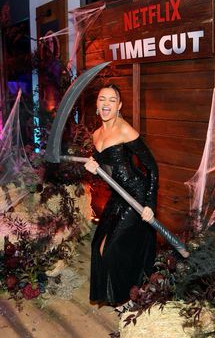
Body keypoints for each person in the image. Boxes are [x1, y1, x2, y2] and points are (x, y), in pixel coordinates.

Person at [84, 84, 159, 306]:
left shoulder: (126, 130)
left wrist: (150, 203)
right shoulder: (96, 134)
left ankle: (125, 298)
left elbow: (152, 167)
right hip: (117, 196)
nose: (106, 104)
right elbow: (107, 173)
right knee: (97, 244)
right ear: (97, 105)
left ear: (119, 106)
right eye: (102, 99)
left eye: (112, 100)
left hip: (135, 195)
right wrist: (93, 168)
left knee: (113, 246)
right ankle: (116, 294)